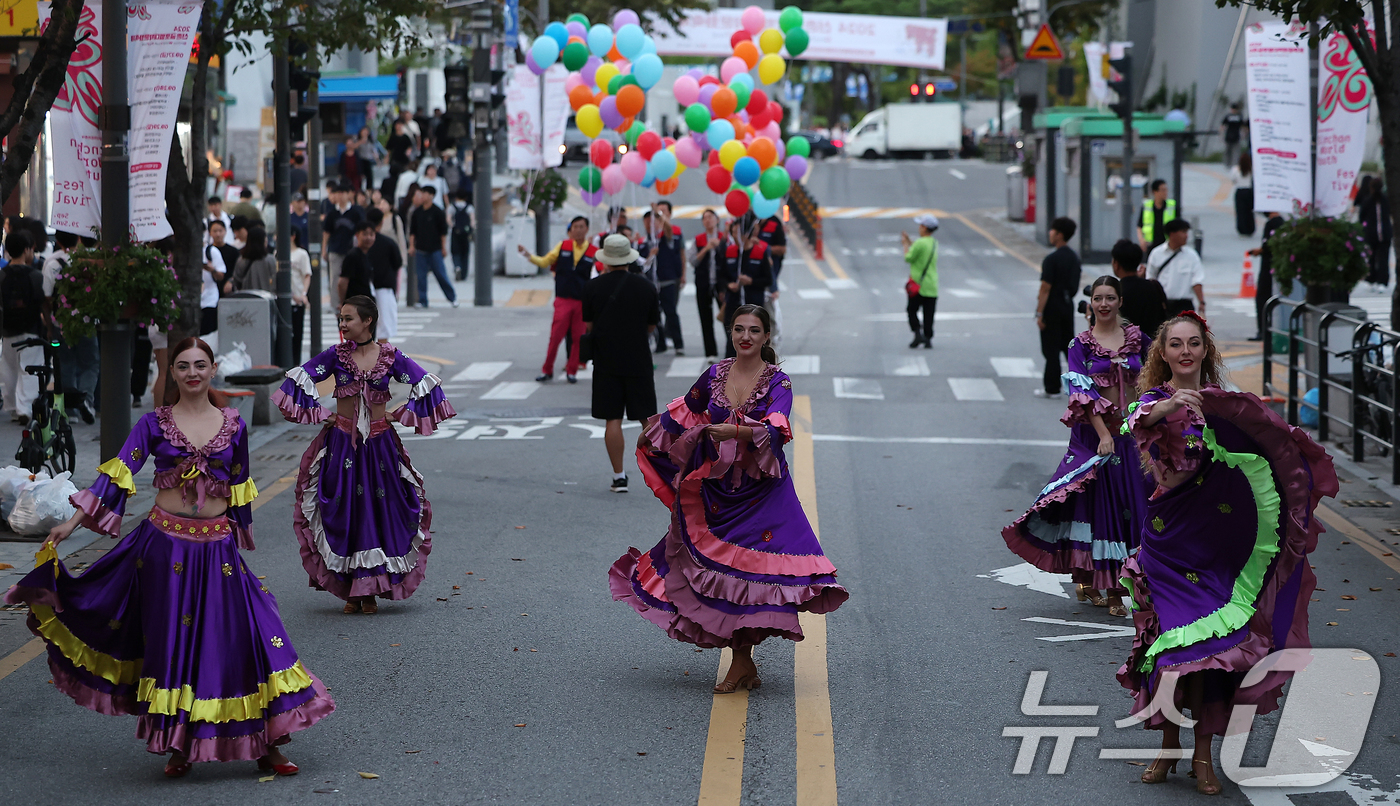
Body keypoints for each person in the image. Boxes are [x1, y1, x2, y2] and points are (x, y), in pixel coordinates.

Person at [5, 338, 335, 777]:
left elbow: (240, 486)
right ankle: (179, 744)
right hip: (165, 549)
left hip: (217, 548)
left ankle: (267, 743)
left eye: (200, 365)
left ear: (213, 369)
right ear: (173, 374)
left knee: (246, 638)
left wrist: (240, 536)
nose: (193, 373)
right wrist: (72, 522)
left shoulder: (234, 425)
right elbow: (120, 472)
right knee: (175, 646)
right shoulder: (154, 424)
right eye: (183, 366)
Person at [1120, 312, 1336, 795]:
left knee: (1214, 654)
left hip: (1215, 548)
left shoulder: (1227, 409)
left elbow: (1271, 443)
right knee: (1171, 653)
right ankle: (1168, 749)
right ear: (1163, 354)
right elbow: (1134, 420)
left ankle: (1202, 756)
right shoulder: (1155, 402)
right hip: (1166, 545)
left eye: (1193, 343)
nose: (1185, 352)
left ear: (1205, 351)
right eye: (1175, 345)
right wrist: (1170, 404)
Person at [615, 304, 849, 693]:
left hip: (762, 492)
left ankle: (741, 664)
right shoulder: (715, 374)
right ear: (731, 332)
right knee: (717, 574)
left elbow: (777, 427)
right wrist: (651, 434)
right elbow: (684, 411)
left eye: (754, 331)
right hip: (718, 488)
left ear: (767, 337)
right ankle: (744, 664)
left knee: (752, 577)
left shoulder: (779, 382)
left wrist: (734, 432)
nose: (746, 337)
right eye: (739, 329)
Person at [273, 295, 456, 614]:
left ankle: (369, 589)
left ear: (367, 321)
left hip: (380, 445)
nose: (343, 324)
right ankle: (350, 590)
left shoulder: (390, 356)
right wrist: (320, 414)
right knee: (345, 510)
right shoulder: (335, 355)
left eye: (348, 318)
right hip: (341, 444)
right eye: (341, 319)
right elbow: (297, 379)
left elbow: (427, 383)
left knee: (379, 511)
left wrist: (402, 413)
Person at [1003, 276, 1154, 615]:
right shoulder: (1080, 345)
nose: (1103, 304)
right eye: (1098, 298)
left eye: (1110, 298)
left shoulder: (1138, 340)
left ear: (1119, 301)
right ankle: (1111, 587)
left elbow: (1152, 382)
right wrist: (1103, 435)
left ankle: (1121, 579)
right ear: (1090, 304)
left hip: (1132, 435)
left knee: (1138, 504)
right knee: (1106, 509)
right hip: (1096, 438)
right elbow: (1081, 395)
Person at [582, 234, 660, 492]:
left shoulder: (592, 288)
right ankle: (658, 472)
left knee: (612, 419)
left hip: (606, 360)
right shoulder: (647, 287)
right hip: (638, 358)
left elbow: (589, 326)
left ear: (605, 260)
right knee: (647, 418)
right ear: (629, 258)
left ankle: (619, 476)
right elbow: (652, 326)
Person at [520, 216, 596, 384]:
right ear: (571, 229)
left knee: (578, 338)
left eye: (581, 226)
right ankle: (547, 370)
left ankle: (572, 371)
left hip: (581, 302)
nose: (578, 230)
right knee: (555, 337)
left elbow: (600, 272)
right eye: (575, 226)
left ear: (586, 229)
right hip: (563, 299)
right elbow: (545, 261)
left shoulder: (593, 251)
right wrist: (528, 255)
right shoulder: (563, 246)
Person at [43, 230, 97, 423]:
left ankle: (70, 410)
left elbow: (47, 297)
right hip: (86, 322)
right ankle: (87, 401)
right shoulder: (88, 260)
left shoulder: (51, 263)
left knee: (65, 364)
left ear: (57, 240)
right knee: (90, 364)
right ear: (79, 238)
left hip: (61, 323)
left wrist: (50, 324)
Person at [1034, 217, 1081, 398]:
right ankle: (1078, 385)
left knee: (1050, 348)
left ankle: (1052, 387)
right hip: (1067, 305)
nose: (1050, 233)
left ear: (1059, 235)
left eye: (1052, 230)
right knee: (1067, 347)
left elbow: (1045, 288)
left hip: (1052, 306)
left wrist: (1039, 312)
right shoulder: (1074, 258)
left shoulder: (1051, 259)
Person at [1, 231, 44, 422]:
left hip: (8, 328)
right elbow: (43, 303)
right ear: (26, 250)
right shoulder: (35, 275)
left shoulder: (1, 276)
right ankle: (25, 408)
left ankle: (11, 406)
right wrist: (48, 326)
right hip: (31, 328)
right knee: (29, 368)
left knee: (9, 368)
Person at [719, 218, 773, 358]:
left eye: (738, 232)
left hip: (754, 303)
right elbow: (722, 276)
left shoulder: (759, 253)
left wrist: (751, 281)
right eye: (733, 232)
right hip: (732, 303)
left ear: (747, 234)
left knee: (754, 341)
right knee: (732, 339)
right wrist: (728, 285)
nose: (735, 236)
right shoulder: (729, 251)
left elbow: (768, 279)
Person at [408, 186, 458, 308]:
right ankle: (423, 300)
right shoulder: (417, 212)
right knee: (421, 277)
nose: (422, 196)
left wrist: (443, 247)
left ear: (431, 195)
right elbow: (412, 232)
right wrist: (411, 246)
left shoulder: (437, 211)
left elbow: (443, 232)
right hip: (420, 249)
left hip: (435, 249)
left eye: (425, 193)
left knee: (441, 275)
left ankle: (452, 298)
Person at [1145, 218, 1205, 317]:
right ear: (1172, 234)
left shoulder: (1191, 256)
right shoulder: (1157, 254)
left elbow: (1197, 281)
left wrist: (1201, 302)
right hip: (1162, 305)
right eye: (1183, 232)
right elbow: (1150, 279)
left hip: (1184, 305)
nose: (1186, 236)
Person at [1109, 240, 1167, 340]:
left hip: (1126, 348)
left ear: (1116, 264)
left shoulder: (1115, 292)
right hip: (1152, 346)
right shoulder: (1153, 286)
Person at [649, 201, 687, 356]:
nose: (660, 214)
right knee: (654, 313)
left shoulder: (673, 231)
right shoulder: (651, 233)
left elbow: (682, 254)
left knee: (671, 311)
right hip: (654, 280)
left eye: (664, 211)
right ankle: (661, 342)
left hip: (670, 278)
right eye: (658, 212)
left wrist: (683, 274)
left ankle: (678, 343)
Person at [362, 207, 403, 343]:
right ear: (381, 222)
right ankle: (381, 357)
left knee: (365, 326)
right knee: (384, 326)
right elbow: (398, 263)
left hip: (364, 288)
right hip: (384, 287)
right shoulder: (388, 243)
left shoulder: (359, 244)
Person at [690, 209, 726, 361]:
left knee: (727, 318)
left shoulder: (724, 238)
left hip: (721, 284)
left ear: (717, 220)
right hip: (703, 282)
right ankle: (710, 352)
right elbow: (692, 260)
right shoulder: (698, 240)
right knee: (705, 318)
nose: (708, 221)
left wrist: (719, 247)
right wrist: (706, 248)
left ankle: (732, 351)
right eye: (705, 218)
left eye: (710, 217)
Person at [322, 183, 364, 309]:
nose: (340, 196)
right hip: (335, 249)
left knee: (353, 278)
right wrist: (325, 249)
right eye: (338, 193)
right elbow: (326, 232)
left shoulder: (355, 212)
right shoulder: (332, 214)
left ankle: (353, 303)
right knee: (335, 278)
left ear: (348, 194)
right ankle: (336, 304)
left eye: (343, 193)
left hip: (351, 250)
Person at [901, 213, 939, 349]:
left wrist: (905, 245)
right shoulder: (934, 243)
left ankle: (917, 333)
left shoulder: (920, 243)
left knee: (912, 310)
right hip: (932, 285)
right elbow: (921, 250)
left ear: (924, 228)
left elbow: (908, 258)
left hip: (918, 284)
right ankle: (928, 338)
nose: (919, 227)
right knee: (929, 313)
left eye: (920, 225)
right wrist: (911, 242)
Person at [1249, 211, 1286, 341]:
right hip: (1278, 267)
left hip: (1268, 268)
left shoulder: (1272, 223)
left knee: (1262, 299)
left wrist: (1259, 251)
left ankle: (1263, 331)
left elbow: (1268, 245)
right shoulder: (1282, 222)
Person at [1360, 177, 1392, 288]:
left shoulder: (1368, 200)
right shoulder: (1386, 200)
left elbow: (1361, 217)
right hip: (1383, 233)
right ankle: (1382, 280)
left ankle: (1373, 278)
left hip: (1372, 233)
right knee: (1383, 258)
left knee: (1372, 257)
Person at [338, 222, 378, 306]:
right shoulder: (353, 256)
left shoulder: (368, 255)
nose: (368, 238)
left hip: (366, 302)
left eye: (371, 235)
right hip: (355, 303)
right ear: (357, 235)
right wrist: (342, 302)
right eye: (365, 234)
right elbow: (342, 282)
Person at [226, 227, 276, 293]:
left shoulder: (241, 260)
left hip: (247, 298)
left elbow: (237, 281)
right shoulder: (270, 259)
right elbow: (276, 279)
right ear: (264, 241)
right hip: (267, 297)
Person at [1137, 179, 1177, 256]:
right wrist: (1141, 241)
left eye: (1166, 190)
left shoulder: (1172, 206)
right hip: (1151, 245)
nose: (1165, 193)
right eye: (1163, 190)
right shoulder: (1147, 206)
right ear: (1155, 192)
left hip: (1167, 244)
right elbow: (1139, 225)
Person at [199, 228, 226, 337]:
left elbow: (221, 275)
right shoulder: (183, 252)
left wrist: (212, 269)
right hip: (192, 300)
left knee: (207, 334)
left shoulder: (211, 251)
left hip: (209, 299)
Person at [289, 229, 311, 362]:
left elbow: (307, 274)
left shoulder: (301, 254)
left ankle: (295, 363)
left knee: (297, 335)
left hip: (297, 299)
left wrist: (303, 294)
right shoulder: (277, 253)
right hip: (283, 300)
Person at [449, 189, 473, 281]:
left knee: (455, 251)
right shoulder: (469, 207)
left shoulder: (452, 207)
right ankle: (463, 274)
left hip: (456, 231)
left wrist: (453, 226)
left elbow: (448, 219)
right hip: (465, 232)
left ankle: (457, 266)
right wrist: (471, 229)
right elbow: (472, 220)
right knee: (465, 253)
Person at [1230, 151, 1255, 236]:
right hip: (1249, 191)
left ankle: (1242, 228)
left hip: (1239, 191)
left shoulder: (1235, 170)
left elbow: (1233, 180)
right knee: (1249, 211)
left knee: (1240, 211)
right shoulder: (1252, 169)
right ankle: (1250, 228)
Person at [1219, 101, 1248, 169]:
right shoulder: (1235, 116)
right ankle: (1230, 164)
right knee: (1230, 151)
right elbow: (1223, 125)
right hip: (1232, 135)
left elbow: (1223, 126)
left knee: (1233, 151)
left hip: (1233, 135)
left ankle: (1231, 164)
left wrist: (1244, 134)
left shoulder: (1233, 116)